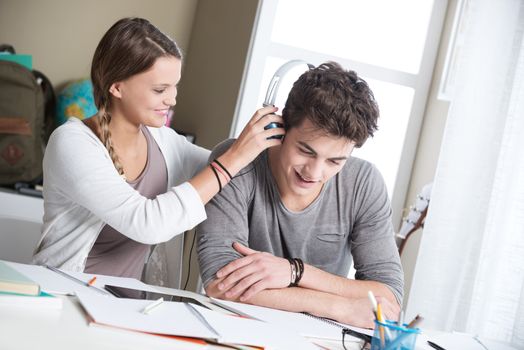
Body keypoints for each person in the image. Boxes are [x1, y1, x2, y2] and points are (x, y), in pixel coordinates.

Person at [32, 17, 284, 281]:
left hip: (132, 306)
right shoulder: (72, 144)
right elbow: (147, 223)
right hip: (67, 299)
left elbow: (227, 172)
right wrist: (235, 156)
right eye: (160, 89)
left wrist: (278, 145)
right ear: (117, 87)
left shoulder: (163, 141)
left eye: (175, 86)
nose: (172, 99)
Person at [197, 62, 403, 328]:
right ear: (279, 127)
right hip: (239, 330)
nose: (314, 172)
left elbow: (389, 298)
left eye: (335, 161)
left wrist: (295, 271)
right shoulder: (237, 160)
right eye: (306, 151)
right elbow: (220, 285)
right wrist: (338, 306)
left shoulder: (363, 182)